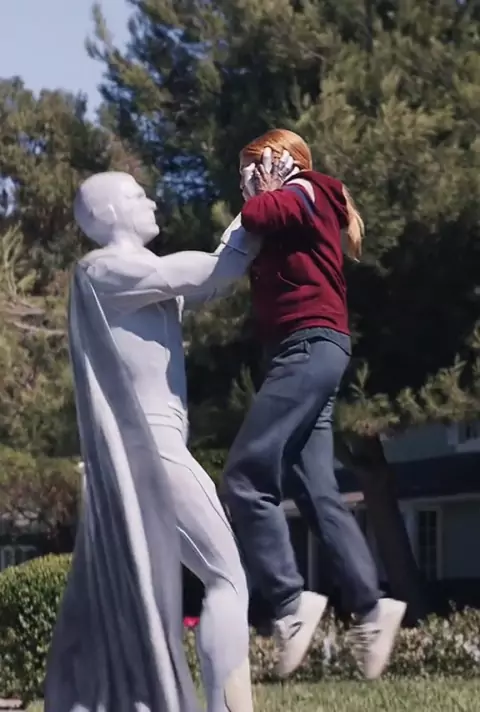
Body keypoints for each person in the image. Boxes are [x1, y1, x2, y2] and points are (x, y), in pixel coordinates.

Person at [45, 170, 268, 712]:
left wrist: (254, 215)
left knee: (135, 604)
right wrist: (263, 208)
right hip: (153, 449)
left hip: (141, 455)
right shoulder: (106, 269)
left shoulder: (135, 274)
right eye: (137, 195)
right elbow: (219, 269)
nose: (151, 202)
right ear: (108, 214)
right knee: (227, 578)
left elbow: (212, 281)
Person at [222, 130, 406, 681]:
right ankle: (371, 608)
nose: (247, 178)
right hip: (309, 350)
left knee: (245, 479)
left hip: (306, 347)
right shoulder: (299, 200)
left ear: (283, 160)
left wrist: (265, 191)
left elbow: (258, 215)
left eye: (254, 166)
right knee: (316, 488)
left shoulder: (307, 189)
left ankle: (287, 604)